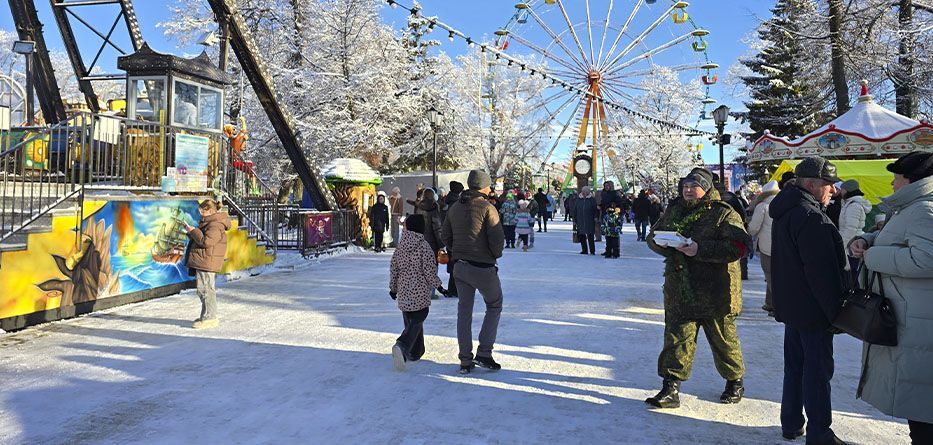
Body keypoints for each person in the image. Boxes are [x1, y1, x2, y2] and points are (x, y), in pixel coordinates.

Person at [644, 167, 750, 409]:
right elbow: (653, 236)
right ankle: (670, 387)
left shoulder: (723, 213)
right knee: (677, 339)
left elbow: (739, 247)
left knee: (723, 341)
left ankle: (734, 381)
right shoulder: (675, 209)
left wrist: (698, 249)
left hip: (716, 291)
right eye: (685, 186)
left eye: (694, 186)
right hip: (681, 287)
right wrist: (663, 243)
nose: (688, 190)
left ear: (707, 188)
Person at [849, 151, 933, 445]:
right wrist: (866, 240)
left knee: (924, 409)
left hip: (919, 323)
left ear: (911, 179)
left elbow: (927, 258)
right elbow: (903, 240)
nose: (893, 183)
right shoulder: (912, 208)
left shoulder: (923, 209)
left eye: (896, 176)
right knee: (920, 405)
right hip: (915, 317)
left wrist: (873, 255)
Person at [769, 156, 847, 445]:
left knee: (796, 367)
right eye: (829, 185)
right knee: (817, 373)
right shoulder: (810, 216)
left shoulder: (788, 209)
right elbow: (822, 273)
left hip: (793, 306)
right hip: (813, 310)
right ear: (812, 184)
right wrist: (834, 313)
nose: (833, 191)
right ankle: (820, 432)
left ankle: (791, 422)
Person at [441, 170, 505, 374]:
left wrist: (455, 252)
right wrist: (494, 254)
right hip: (483, 266)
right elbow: (496, 239)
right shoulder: (488, 208)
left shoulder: (454, 208)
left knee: (464, 312)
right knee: (494, 305)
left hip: (460, 266)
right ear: (483, 186)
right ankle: (484, 353)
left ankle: (465, 360)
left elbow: (446, 235)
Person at [389, 214, 443, 371]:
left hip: (404, 293)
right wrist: (439, 286)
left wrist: (393, 288)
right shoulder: (424, 246)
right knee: (419, 317)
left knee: (411, 321)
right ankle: (402, 345)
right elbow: (429, 272)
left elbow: (394, 269)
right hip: (419, 293)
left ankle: (415, 352)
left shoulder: (400, 247)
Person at [184, 199, 231, 330]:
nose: (200, 214)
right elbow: (202, 239)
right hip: (204, 260)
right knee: (203, 289)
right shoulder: (210, 223)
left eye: (202, 211)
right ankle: (206, 315)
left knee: (206, 289)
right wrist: (191, 232)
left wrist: (194, 231)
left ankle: (210, 317)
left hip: (207, 261)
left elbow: (207, 242)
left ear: (209, 211)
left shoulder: (215, 225)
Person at [746, 180, 779, 316]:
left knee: (770, 276)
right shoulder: (782, 203)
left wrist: (747, 230)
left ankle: (777, 306)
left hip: (767, 246)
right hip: (782, 245)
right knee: (776, 276)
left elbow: (754, 228)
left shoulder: (763, 206)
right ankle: (770, 302)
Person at [838, 179, 872, 281]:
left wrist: (842, 245)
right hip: (850, 243)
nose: (841, 192)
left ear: (848, 190)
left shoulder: (854, 206)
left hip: (852, 245)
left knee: (853, 275)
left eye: (843, 189)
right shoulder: (849, 203)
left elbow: (850, 229)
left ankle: (854, 294)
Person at [416, 189, 446, 298]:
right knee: (432, 268)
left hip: (420, 241)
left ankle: (421, 291)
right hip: (432, 243)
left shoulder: (419, 207)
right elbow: (437, 227)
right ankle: (430, 292)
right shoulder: (434, 208)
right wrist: (441, 243)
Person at [442, 181, 465, 297]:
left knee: (453, 264)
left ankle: (452, 288)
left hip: (450, 236)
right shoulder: (457, 203)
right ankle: (455, 289)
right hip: (456, 236)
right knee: (457, 264)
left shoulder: (447, 200)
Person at [573, 186, 598, 255]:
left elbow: (595, 209)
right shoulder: (578, 199)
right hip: (580, 219)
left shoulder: (592, 199)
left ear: (589, 192)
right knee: (582, 235)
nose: (584, 193)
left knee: (590, 235)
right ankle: (584, 250)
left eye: (586, 191)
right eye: (583, 191)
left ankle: (592, 250)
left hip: (589, 219)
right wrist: (574, 220)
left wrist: (595, 217)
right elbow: (575, 210)